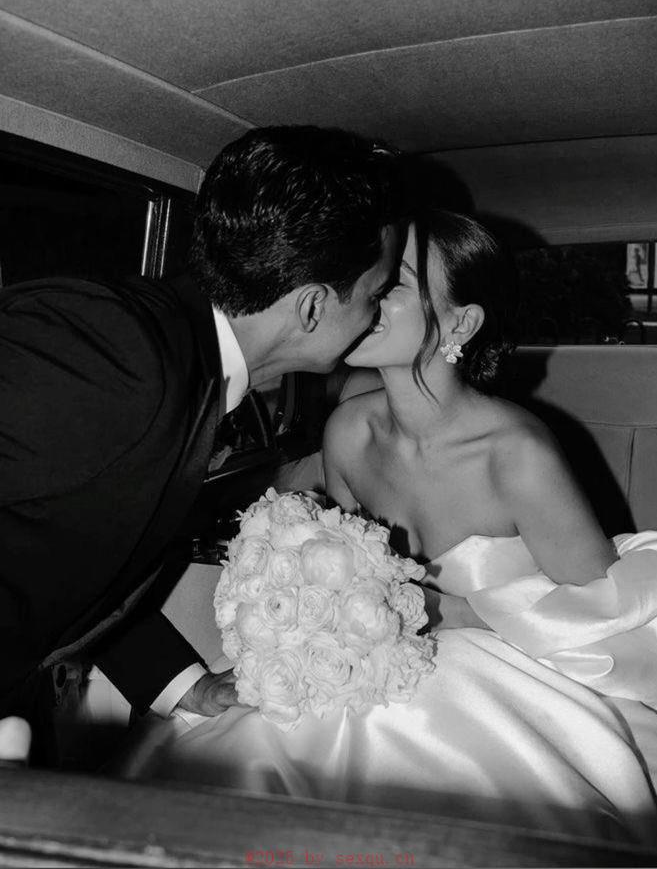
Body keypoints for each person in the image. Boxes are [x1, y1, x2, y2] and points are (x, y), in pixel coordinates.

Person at [114, 211, 657, 846]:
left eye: (392, 282)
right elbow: (343, 565)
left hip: (501, 677)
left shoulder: (517, 455)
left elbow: (606, 614)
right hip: (367, 667)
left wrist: (447, 612)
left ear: (460, 323)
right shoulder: (351, 431)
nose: (362, 291)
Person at [0, 125, 405, 756]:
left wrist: (185, 685)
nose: (377, 315)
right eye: (375, 296)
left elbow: (73, 547)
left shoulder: (185, 366)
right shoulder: (114, 351)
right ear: (312, 307)